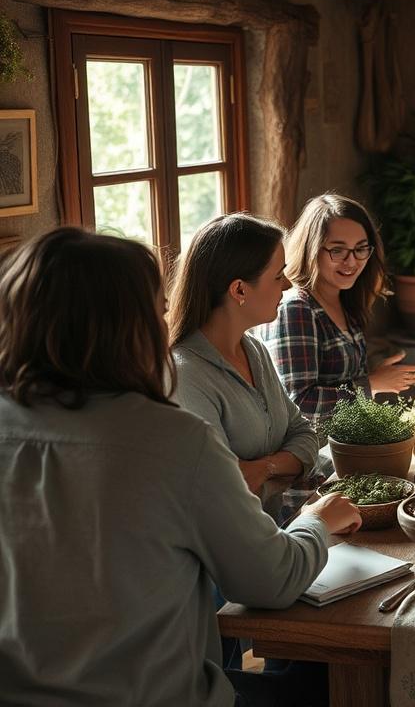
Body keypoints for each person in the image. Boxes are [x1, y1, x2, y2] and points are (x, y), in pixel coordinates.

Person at [0, 227, 362, 706]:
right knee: (332, 678)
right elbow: (270, 581)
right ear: (128, 326)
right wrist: (316, 522)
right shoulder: (175, 440)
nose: (166, 317)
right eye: (157, 308)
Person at [169, 213, 319, 497]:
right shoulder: (186, 375)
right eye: (278, 276)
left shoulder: (255, 350)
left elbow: (306, 435)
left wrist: (264, 468)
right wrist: (287, 466)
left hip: (277, 528)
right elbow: (224, 490)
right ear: (239, 290)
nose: (287, 285)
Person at [257, 192, 415, 432]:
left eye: (361, 249)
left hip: (346, 446)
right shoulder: (295, 308)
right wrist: (372, 384)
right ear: (311, 249)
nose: (352, 261)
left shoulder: (345, 300)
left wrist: (380, 374)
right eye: (337, 250)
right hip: (309, 457)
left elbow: (340, 381)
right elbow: (300, 404)